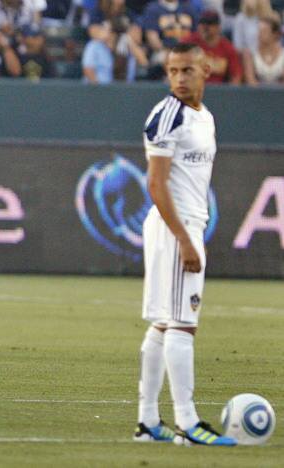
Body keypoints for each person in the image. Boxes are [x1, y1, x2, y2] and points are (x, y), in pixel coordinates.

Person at [134, 42, 235, 446]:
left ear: (206, 70)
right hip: (176, 228)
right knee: (183, 325)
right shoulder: (167, 116)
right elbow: (156, 184)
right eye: (173, 71)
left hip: (184, 226)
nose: (178, 79)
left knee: (163, 322)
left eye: (186, 71)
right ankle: (188, 424)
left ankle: (147, 422)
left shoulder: (203, 117)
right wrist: (185, 240)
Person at [184, 10, 242, 84]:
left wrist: (230, 94)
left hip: (219, 91)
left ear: (218, 27)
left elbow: (236, 75)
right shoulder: (189, 42)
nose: (205, 27)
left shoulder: (227, 47)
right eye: (202, 23)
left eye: (209, 24)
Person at [242, 14, 284, 85]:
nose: (259, 34)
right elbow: (250, 81)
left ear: (275, 34)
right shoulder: (249, 54)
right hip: (256, 94)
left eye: (264, 31)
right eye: (259, 31)